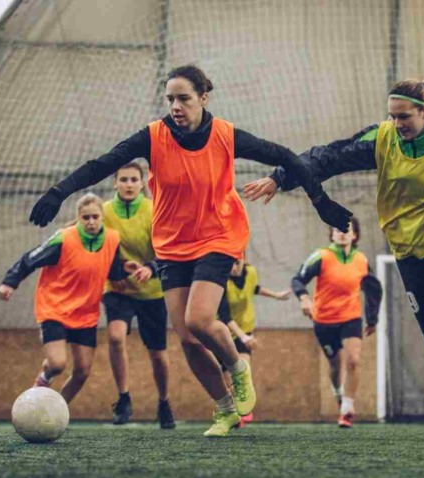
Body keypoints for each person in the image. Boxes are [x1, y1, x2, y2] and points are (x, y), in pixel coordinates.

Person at [28, 64, 353, 437]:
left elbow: (284, 154)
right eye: (170, 100)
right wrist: (58, 192)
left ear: (203, 97)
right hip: (172, 244)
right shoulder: (153, 137)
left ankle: (238, 368)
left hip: (218, 235)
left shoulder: (225, 135)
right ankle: (226, 409)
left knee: (200, 320)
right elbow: (102, 164)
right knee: (186, 337)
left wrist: (320, 200)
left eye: (184, 98)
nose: (176, 106)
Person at [246, 78, 424, 436]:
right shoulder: (382, 139)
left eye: (405, 117)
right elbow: (327, 157)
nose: (397, 124)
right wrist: (280, 177)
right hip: (408, 248)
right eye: (392, 117)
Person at [0, 193, 132, 404]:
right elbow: (31, 259)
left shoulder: (112, 239)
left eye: (95, 217)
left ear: (102, 218)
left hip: (85, 314)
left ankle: (57, 409)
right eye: (86, 217)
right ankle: (43, 379)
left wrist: (125, 270)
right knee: (58, 363)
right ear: (79, 218)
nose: (91, 222)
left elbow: (112, 270)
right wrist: (10, 282)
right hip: (54, 308)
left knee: (82, 371)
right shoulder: (64, 238)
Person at [101, 160, 176, 429]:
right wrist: (116, 272)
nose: (129, 184)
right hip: (118, 287)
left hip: (151, 291)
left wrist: (151, 268)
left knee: (157, 353)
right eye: (124, 180)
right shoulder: (104, 211)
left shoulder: (154, 209)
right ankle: (123, 399)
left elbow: (168, 248)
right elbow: (97, 247)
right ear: (115, 183)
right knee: (115, 336)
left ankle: (164, 402)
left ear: (142, 182)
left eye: (134, 179)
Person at [292, 217, 382, 428]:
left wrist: (372, 319)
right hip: (324, 320)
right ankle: (338, 393)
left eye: (347, 229)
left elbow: (373, 290)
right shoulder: (321, 256)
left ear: (355, 235)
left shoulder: (361, 260)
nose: (342, 232)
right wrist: (304, 298)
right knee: (335, 366)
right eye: (338, 228)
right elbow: (298, 279)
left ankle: (347, 409)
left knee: (353, 360)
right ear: (332, 234)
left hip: (351, 318)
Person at [215, 254, 292, 428]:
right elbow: (225, 316)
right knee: (228, 382)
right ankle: (232, 413)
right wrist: (242, 336)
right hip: (224, 334)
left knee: (243, 370)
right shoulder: (220, 282)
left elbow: (254, 288)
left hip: (245, 330)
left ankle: (245, 407)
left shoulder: (251, 272)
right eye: (230, 265)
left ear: (243, 259)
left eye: (237, 263)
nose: (234, 268)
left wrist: (276, 295)